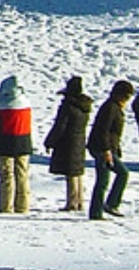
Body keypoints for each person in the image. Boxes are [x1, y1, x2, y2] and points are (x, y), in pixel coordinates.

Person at [87, 79, 135, 220]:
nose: (127, 100)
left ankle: (105, 207)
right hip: (102, 148)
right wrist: (107, 150)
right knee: (108, 179)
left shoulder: (115, 107)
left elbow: (114, 132)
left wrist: (115, 149)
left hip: (107, 148)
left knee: (111, 177)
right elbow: (103, 130)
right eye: (126, 96)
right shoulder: (110, 107)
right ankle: (101, 209)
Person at [0, 75, 33, 214]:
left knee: (6, 177)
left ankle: (6, 207)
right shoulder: (26, 103)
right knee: (22, 176)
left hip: (4, 144)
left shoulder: (0, 105)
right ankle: (23, 206)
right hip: (24, 143)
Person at [44, 75, 92, 212]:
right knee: (77, 173)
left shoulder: (67, 107)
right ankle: (80, 201)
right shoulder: (85, 106)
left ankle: (71, 203)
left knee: (70, 174)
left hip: (67, 143)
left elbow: (60, 126)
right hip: (79, 142)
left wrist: (50, 142)